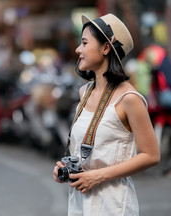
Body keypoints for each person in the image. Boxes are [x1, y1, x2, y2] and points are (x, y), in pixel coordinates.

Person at [52, 14, 160, 215]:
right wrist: (67, 167)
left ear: (105, 48)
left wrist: (97, 176)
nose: (78, 49)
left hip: (113, 205)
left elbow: (151, 156)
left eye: (84, 43)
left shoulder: (129, 98)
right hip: (79, 204)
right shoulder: (83, 93)